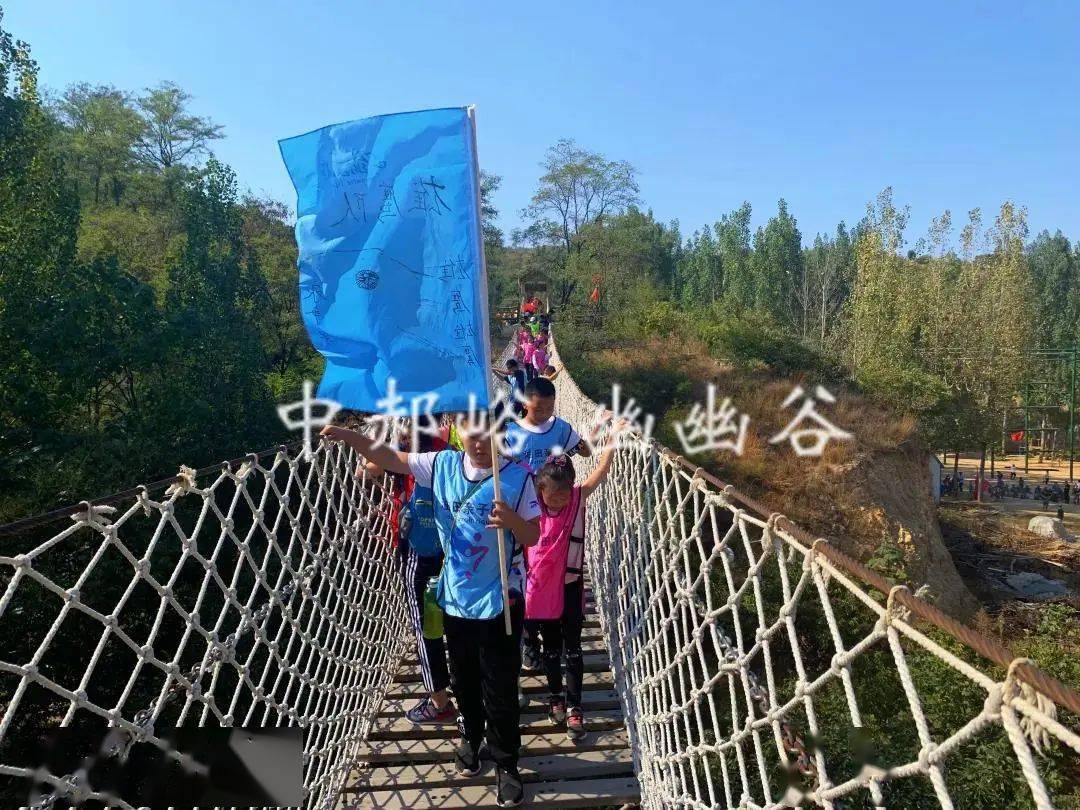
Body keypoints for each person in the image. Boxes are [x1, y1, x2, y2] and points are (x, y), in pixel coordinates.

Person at [321, 421, 541, 808]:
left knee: (501, 687)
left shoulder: (519, 477)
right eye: (472, 435)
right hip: (455, 599)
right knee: (464, 680)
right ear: (460, 435)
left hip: (501, 601)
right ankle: (471, 740)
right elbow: (391, 458)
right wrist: (349, 436)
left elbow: (533, 536)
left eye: (488, 436)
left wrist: (514, 523)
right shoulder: (440, 464)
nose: (480, 444)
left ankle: (507, 764)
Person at [527, 429, 623, 741]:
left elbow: (600, 471)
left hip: (570, 586)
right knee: (551, 648)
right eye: (552, 494)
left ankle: (575, 706)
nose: (558, 499)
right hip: (542, 590)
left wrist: (612, 441)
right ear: (539, 490)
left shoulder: (577, 498)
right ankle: (555, 695)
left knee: (573, 648)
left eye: (564, 494)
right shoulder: (530, 505)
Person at [363, 421, 456, 725]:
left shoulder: (403, 457)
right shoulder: (449, 453)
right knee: (455, 619)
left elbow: (365, 469)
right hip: (455, 549)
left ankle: (439, 701)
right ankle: (467, 685)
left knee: (424, 624)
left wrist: (382, 437)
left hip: (416, 549)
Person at [502, 377, 596, 674]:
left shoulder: (561, 428)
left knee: (548, 573)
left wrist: (582, 445)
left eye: (549, 406)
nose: (543, 412)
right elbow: (501, 465)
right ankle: (530, 642)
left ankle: (552, 627)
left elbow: (585, 451)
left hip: (555, 511)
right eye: (538, 406)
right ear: (525, 402)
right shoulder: (511, 431)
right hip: (523, 511)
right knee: (524, 575)